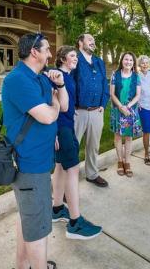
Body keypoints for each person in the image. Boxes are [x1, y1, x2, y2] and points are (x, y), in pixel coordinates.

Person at [2, 33, 68, 269]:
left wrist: (59, 86)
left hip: (39, 161)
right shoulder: (18, 80)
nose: (51, 54)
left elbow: (63, 105)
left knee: (28, 218)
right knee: (38, 225)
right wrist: (55, 105)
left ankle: (22, 265)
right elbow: (48, 115)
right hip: (29, 164)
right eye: (47, 49)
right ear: (34, 52)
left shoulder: (39, 78)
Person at [51, 45, 102, 240]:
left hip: (67, 126)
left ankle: (56, 209)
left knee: (60, 168)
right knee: (72, 170)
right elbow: (50, 103)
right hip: (61, 128)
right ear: (63, 58)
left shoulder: (68, 76)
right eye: (72, 56)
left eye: (76, 56)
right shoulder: (56, 76)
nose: (76, 59)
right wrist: (54, 133)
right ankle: (75, 223)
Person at [73, 33, 110, 187]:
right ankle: (69, 182)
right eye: (90, 40)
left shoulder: (99, 61)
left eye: (94, 41)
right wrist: (70, 107)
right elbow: (68, 83)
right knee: (72, 148)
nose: (93, 42)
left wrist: (103, 104)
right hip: (78, 112)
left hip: (97, 111)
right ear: (80, 42)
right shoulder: (74, 59)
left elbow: (104, 83)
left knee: (93, 146)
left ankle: (92, 174)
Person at [110, 52, 142, 177]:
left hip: (130, 111)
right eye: (126, 59)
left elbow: (138, 95)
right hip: (117, 110)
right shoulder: (115, 75)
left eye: (130, 60)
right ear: (122, 61)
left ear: (133, 63)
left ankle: (127, 162)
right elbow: (112, 94)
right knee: (118, 136)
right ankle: (120, 161)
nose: (128, 62)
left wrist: (127, 107)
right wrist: (121, 107)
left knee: (128, 137)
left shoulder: (136, 76)